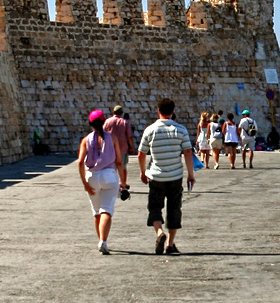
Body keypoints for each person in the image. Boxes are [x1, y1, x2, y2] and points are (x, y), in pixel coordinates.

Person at [138, 97, 194, 255]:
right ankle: (170, 243)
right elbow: (188, 152)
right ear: (173, 111)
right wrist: (191, 174)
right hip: (175, 175)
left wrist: (143, 172)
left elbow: (141, 154)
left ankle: (159, 233)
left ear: (158, 111)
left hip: (156, 176)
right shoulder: (180, 129)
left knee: (155, 207)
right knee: (174, 208)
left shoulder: (150, 130)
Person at [78, 109, 126, 255]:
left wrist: (85, 184)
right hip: (109, 175)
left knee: (96, 211)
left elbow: (80, 162)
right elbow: (118, 161)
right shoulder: (112, 138)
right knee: (107, 210)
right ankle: (103, 241)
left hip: (92, 176)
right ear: (104, 121)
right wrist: (123, 181)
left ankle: (100, 240)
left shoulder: (85, 140)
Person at [104, 105, 134, 195]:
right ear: (122, 112)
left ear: (113, 112)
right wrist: (132, 147)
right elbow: (129, 136)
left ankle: (112, 185)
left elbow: (103, 134)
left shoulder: (107, 122)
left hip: (110, 149)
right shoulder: (125, 122)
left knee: (111, 168)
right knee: (123, 167)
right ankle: (123, 184)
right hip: (122, 148)